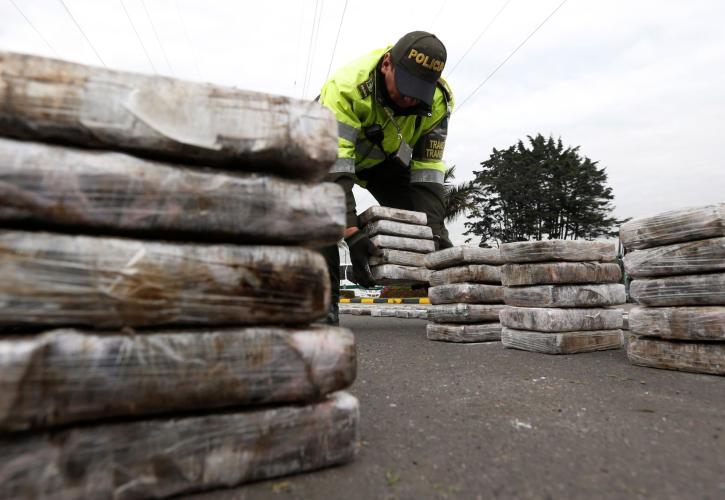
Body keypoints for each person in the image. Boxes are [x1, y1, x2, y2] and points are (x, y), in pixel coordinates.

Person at [318, 31, 455, 325]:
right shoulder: (346, 89)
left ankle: (450, 296)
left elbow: (427, 172)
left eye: (418, 92)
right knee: (323, 219)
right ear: (387, 65)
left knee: (426, 230)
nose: (408, 99)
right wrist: (351, 234)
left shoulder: (438, 103)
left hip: (384, 161)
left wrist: (433, 235)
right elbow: (334, 167)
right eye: (404, 87)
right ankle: (324, 306)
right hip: (324, 157)